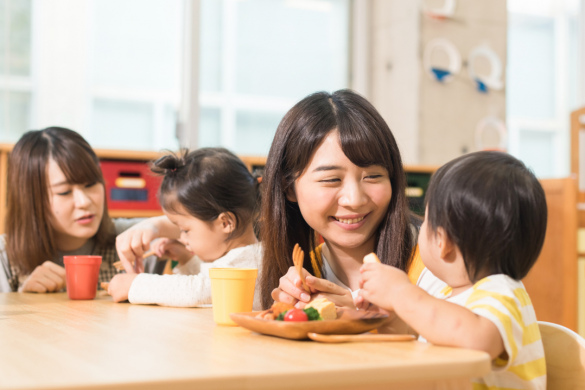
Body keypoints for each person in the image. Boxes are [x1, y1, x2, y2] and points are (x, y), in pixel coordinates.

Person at [359, 151, 547, 389]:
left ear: (442, 241)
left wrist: (401, 293)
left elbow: (477, 338)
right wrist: (391, 316)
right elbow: (419, 345)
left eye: (426, 220)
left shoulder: (502, 292)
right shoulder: (448, 297)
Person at [259, 89, 424, 312]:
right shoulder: (305, 276)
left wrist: (361, 320)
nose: (354, 200)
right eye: (331, 179)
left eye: (373, 176)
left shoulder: (434, 263)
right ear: (289, 189)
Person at [0, 127, 162, 293]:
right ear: (31, 199)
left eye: (90, 184)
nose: (84, 202)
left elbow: (184, 227)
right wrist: (22, 299)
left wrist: (158, 226)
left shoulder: (130, 241)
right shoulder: (5, 256)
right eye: (64, 192)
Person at [107, 148, 263, 308]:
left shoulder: (250, 261)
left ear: (225, 223)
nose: (181, 238)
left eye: (185, 230)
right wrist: (185, 258)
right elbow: (207, 291)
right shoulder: (236, 258)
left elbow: (197, 291)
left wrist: (135, 284)